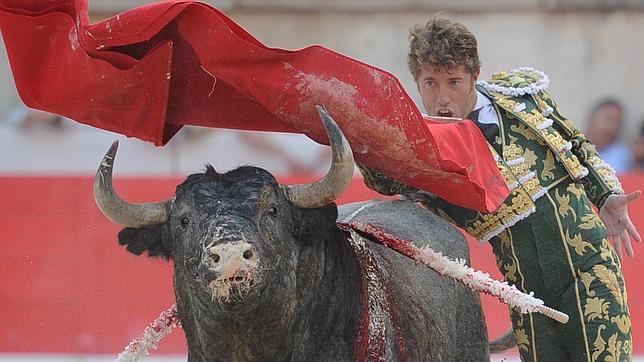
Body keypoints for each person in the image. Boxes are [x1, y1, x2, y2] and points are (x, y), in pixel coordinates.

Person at [358, 16, 640, 361]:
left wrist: (606, 195)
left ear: (475, 75)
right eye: (430, 83)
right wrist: (358, 127)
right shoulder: (422, 153)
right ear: (416, 83)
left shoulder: (520, 98)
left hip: (589, 269)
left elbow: (575, 143)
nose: (442, 98)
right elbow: (381, 177)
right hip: (527, 294)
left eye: (454, 82)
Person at [584, 99, 633, 174]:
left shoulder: (622, 155)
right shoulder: (570, 146)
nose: (611, 127)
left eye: (617, 122)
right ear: (591, 119)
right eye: (607, 119)